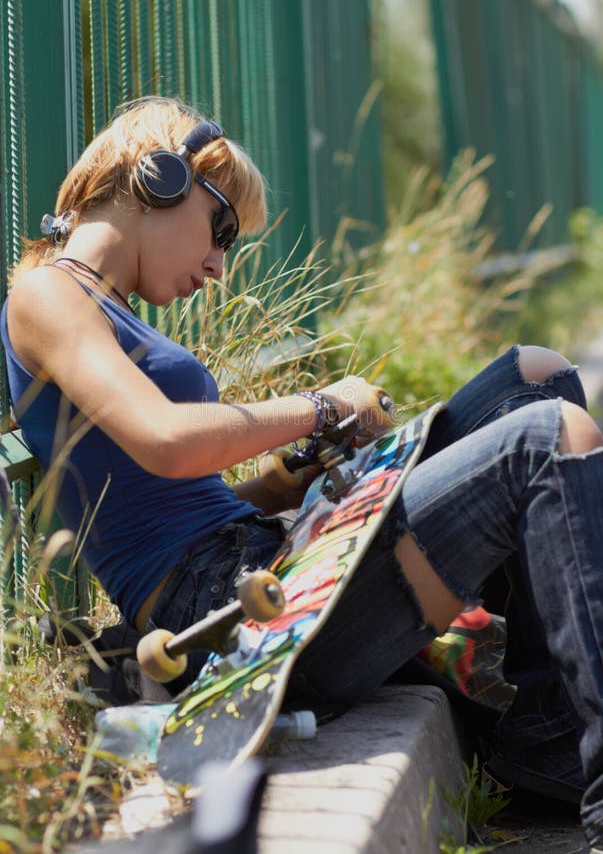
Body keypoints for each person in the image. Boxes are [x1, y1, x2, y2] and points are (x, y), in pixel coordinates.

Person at [2, 95, 603, 850]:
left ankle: (544, 731)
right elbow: (165, 442)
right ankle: (574, 762)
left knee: (535, 378)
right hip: (229, 618)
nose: (219, 266)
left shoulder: (106, 308)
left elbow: (160, 498)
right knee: (548, 439)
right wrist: (321, 405)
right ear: (156, 180)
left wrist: (276, 488)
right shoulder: (46, 294)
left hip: (251, 561)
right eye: (222, 231)